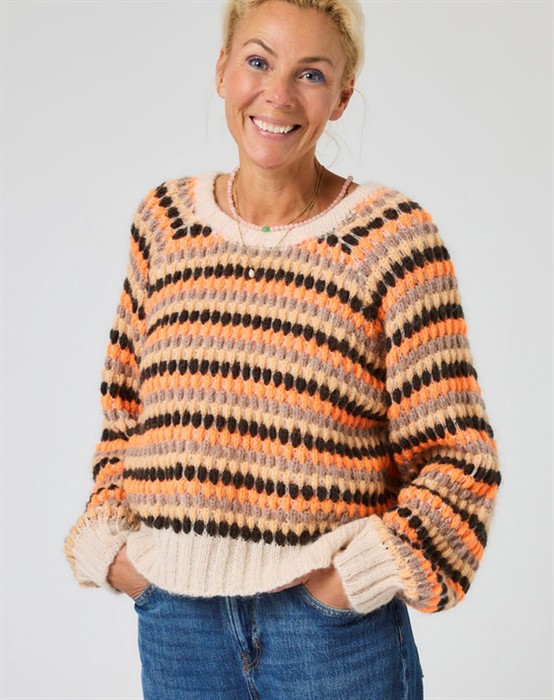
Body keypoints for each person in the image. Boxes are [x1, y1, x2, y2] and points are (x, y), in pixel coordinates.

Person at [64, 1, 502, 698]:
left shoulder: (391, 240)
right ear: (222, 71)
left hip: (329, 638)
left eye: (311, 74)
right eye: (258, 62)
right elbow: (124, 414)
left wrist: (350, 580)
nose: (278, 94)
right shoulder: (165, 223)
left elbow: (458, 456)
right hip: (179, 631)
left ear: (342, 97)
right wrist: (113, 549)